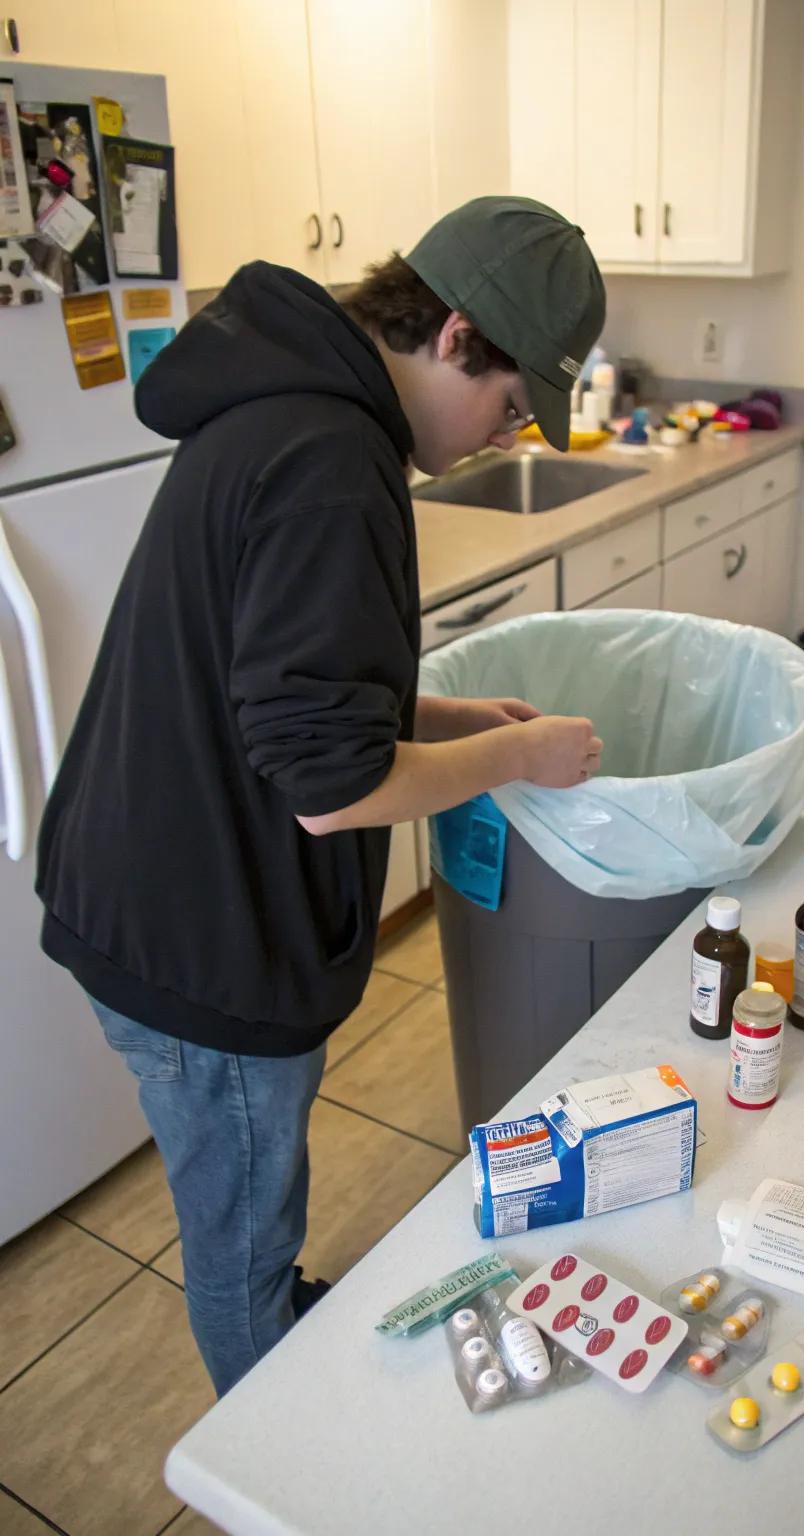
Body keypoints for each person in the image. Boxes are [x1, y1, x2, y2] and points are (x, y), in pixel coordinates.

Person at [36, 196, 606, 1397]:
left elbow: (298, 695)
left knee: (252, 1200)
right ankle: (273, 1447)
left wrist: (462, 720)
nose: (509, 435)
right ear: (455, 336)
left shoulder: (290, 409)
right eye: (510, 404)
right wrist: (519, 759)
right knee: (240, 1232)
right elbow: (333, 789)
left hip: (155, 880)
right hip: (200, 944)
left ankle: (276, 1306)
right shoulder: (334, 465)